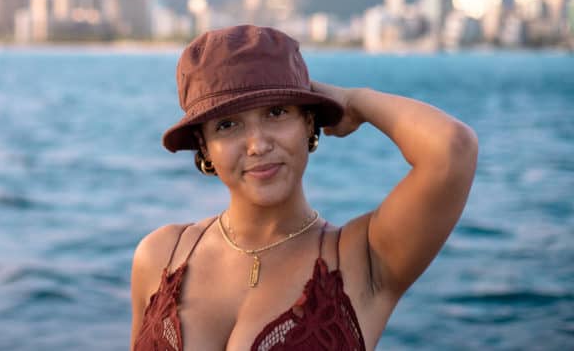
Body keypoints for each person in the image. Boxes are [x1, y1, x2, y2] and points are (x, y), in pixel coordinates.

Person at [130, 25, 478, 351]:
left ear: (308, 122)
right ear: (204, 146)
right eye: (227, 124)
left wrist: (355, 100)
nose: (257, 144)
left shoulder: (362, 261)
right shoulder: (161, 256)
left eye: (277, 112)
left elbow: (452, 148)